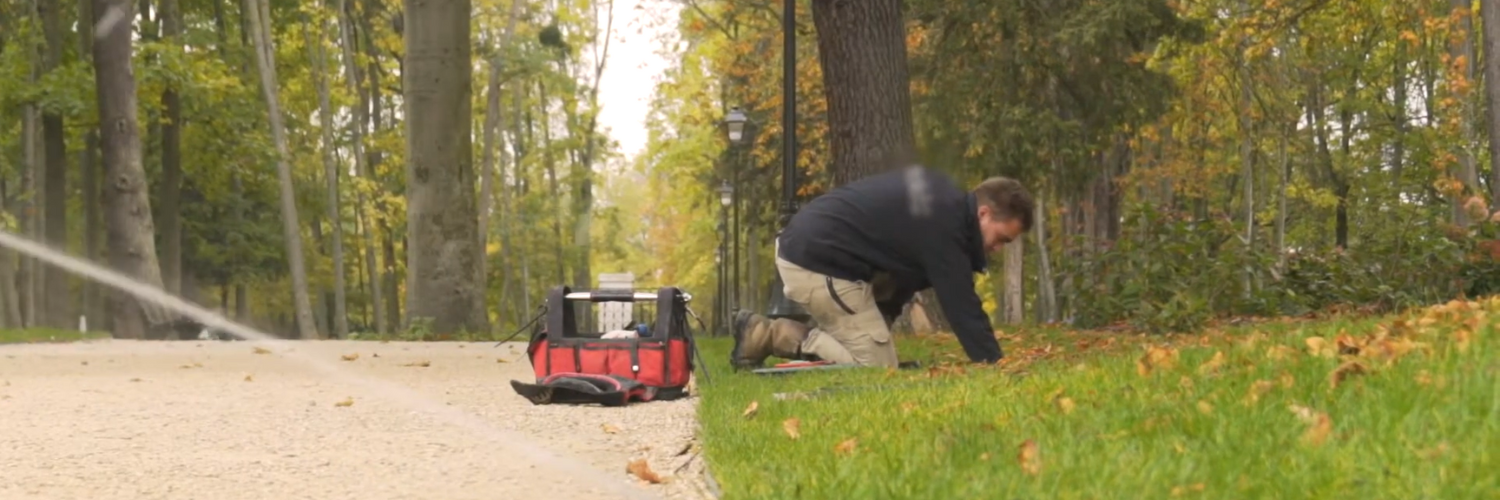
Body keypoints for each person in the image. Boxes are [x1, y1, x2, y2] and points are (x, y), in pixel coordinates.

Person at [731, 165, 1034, 369]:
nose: (997, 249)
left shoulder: (941, 206)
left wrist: (880, 326)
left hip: (821, 256)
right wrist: (996, 366)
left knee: (873, 350)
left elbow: (899, 279)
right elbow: (963, 307)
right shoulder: (946, 225)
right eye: (1002, 238)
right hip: (815, 262)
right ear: (983, 214)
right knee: (875, 368)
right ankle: (766, 334)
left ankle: (787, 336)